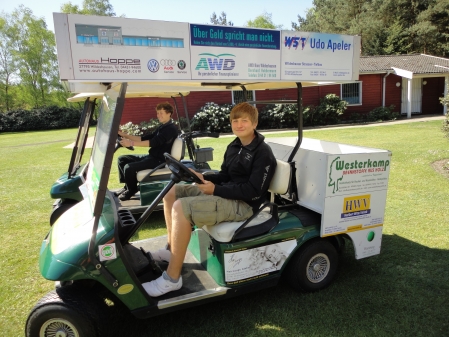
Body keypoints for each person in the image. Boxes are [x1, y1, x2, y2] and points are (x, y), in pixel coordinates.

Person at [142, 102, 277, 297]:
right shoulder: (235, 145)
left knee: (181, 207)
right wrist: (204, 176)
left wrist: (216, 189)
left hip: (245, 206)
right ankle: (171, 249)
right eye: (235, 121)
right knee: (171, 192)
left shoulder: (263, 153)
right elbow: (224, 175)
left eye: (244, 121)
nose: (239, 125)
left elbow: (254, 191)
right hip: (226, 193)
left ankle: (172, 279)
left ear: (254, 123)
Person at [116, 102, 179, 201]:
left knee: (129, 167)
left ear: (169, 113)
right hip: (152, 156)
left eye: (161, 113)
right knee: (122, 159)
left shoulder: (170, 129)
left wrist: (131, 143)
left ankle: (131, 190)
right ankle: (127, 187)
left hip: (160, 160)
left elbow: (153, 142)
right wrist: (125, 135)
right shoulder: (162, 127)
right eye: (158, 113)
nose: (158, 115)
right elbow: (144, 138)